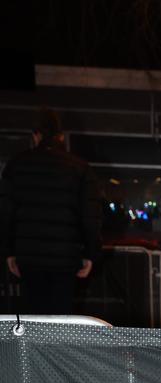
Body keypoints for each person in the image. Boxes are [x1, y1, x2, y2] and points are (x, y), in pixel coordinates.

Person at [0, 107, 101, 314]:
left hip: (29, 256)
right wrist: (90, 254)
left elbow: (5, 214)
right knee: (61, 317)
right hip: (65, 257)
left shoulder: (16, 166)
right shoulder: (80, 168)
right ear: (61, 137)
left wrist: (9, 251)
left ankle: (32, 348)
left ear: (35, 135)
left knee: (33, 315)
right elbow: (90, 216)